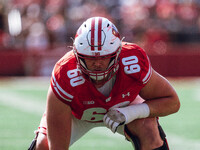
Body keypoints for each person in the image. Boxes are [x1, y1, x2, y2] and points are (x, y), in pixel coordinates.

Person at [28, 17, 180, 150]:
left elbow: (172, 102)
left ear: (118, 53)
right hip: (77, 115)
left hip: (124, 107)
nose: (98, 64)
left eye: (104, 57)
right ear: (77, 55)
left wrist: (130, 113)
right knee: (44, 145)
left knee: (148, 129)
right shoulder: (64, 73)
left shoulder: (132, 61)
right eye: (90, 58)